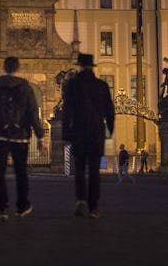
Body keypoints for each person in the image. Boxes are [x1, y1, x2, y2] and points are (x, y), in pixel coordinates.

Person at [0, 56, 46, 221]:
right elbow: (32, 113)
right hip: (20, 136)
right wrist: (40, 136)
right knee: (21, 172)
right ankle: (22, 206)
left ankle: (2, 209)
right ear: (18, 69)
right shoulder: (25, 88)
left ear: (4, 68)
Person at [62, 53, 115, 219]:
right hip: (96, 133)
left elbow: (67, 111)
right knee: (94, 171)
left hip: (78, 131)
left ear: (79, 66)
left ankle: (80, 200)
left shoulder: (71, 85)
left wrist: (66, 133)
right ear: (92, 67)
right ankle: (93, 207)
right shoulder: (101, 85)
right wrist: (109, 131)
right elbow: (110, 111)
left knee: (78, 169)